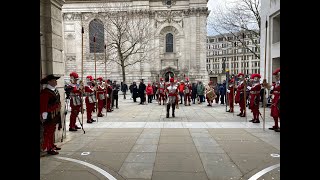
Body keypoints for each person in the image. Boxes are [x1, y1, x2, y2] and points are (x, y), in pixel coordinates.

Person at [40, 74, 62, 155]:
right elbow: (43, 106)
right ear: (49, 82)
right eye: (54, 80)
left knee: (52, 130)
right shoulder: (45, 92)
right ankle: (48, 148)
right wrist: (44, 116)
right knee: (48, 131)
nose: (56, 81)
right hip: (49, 115)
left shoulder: (53, 90)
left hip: (55, 114)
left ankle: (52, 145)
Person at [263, 68, 280, 132]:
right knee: (274, 113)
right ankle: (276, 125)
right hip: (274, 99)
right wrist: (266, 84)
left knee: (278, 112)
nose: (276, 77)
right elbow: (270, 87)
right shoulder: (275, 83)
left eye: (277, 76)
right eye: (276, 76)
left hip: (279, 99)